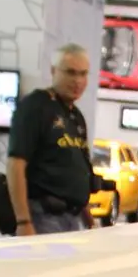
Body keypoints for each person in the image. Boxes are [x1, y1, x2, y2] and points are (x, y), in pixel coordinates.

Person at [7, 42, 95, 236]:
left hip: (72, 218)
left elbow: (75, 170)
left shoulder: (76, 116)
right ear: (54, 71)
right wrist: (23, 221)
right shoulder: (36, 106)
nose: (78, 81)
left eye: (83, 74)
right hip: (43, 215)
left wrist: (89, 219)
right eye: (70, 72)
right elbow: (15, 164)